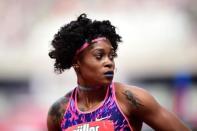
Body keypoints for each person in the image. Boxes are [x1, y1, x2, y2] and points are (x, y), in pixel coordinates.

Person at [47, 13, 190, 131]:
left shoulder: (130, 99)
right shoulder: (59, 112)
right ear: (76, 61)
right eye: (99, 56)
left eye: (111, 56)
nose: (109, 62)